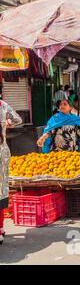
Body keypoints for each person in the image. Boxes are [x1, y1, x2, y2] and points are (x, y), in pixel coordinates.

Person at [0, 100, 22, 244]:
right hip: (2, 151)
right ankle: (0, 227)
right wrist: (8, 123)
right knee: (1, 191)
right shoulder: (2, 105)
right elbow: (17, 119)